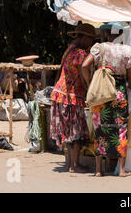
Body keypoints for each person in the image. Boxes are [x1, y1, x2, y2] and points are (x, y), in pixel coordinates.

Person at [82, 22, 131, 177]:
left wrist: (89, 84)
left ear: (106, 34)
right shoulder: (127, 51)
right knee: (121, 129)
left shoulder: (99, 48)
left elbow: (84, 66)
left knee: (100, 128)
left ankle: (99, 170)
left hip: (101, 93)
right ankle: (121, 170)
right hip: (118, 94)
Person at [50, 23, 97, 173]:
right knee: (75, 131)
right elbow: (83, 72)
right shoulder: (80, 54)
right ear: (84, 38)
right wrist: (89, 85)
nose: (91, 43)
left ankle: (70, 163)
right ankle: (75, 165)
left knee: (67, 131)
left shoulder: (69, 49)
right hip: (71, 97)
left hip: (60, 95)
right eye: (90, 40)